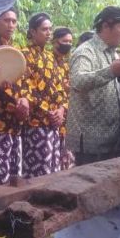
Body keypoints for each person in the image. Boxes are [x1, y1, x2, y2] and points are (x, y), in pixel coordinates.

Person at [65, 7, 120, 165]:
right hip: (89, 143)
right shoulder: (85, 52)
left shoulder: (113, 53)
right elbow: (78, 82)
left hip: (111, 139)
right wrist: (111, 71)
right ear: (106, 26)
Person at [0, 7, 28, 187]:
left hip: (15, 122)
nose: (11, 25)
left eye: (14, 21)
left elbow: (24, 84)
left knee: (14, 177)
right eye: (6, 20)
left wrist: (24, 99)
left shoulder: (16, 52)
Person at [18, 12, 67, 177]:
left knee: (53, 172)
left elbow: (60, 88)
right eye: (44, 29)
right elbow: (25, 88)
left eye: (50, 29)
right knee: (37, 174)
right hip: (35, 124)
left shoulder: (50, 57)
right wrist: (48, 112)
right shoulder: (24, 54)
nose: (49, 33)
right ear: (32, 31)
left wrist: (60, 111)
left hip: (54, 124)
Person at [51, 27, 74, 170]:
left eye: (71, 42)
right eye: (65, 41)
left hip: (66, 120)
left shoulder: (66, 64)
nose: (68, 44)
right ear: (55, 41)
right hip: (52, 117)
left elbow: (69, 92)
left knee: (66, 164)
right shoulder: (47, 60)